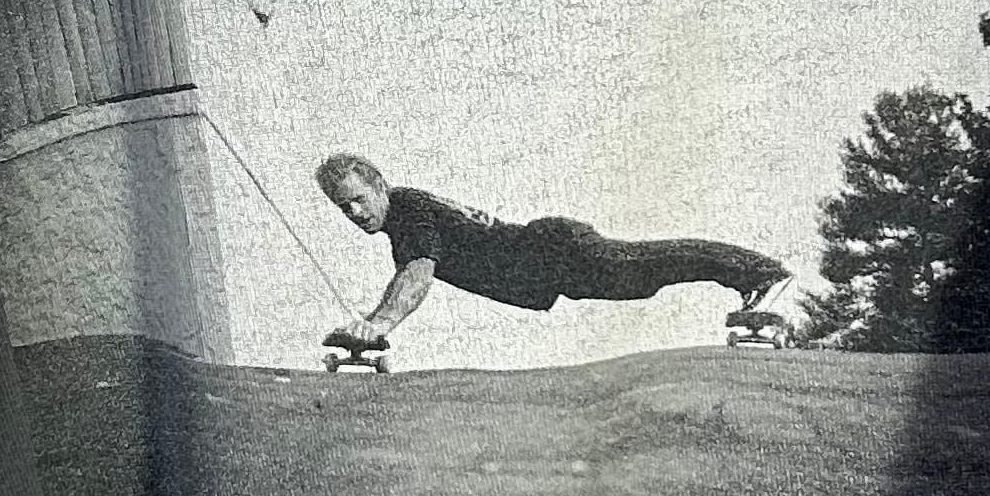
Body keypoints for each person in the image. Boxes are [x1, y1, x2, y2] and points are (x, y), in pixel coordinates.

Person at [316, 149, 786, 358]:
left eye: (359, 198)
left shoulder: (408, 212)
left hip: (553, 251)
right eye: (344, 207)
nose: (355, 212)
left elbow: (417, 274)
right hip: (550, 268)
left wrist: (378, 325)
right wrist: (370, 327)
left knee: (643, 265)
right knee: (644, 279)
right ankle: (754, 278)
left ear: (380, 185)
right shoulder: (406, 214)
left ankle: (763, 275)